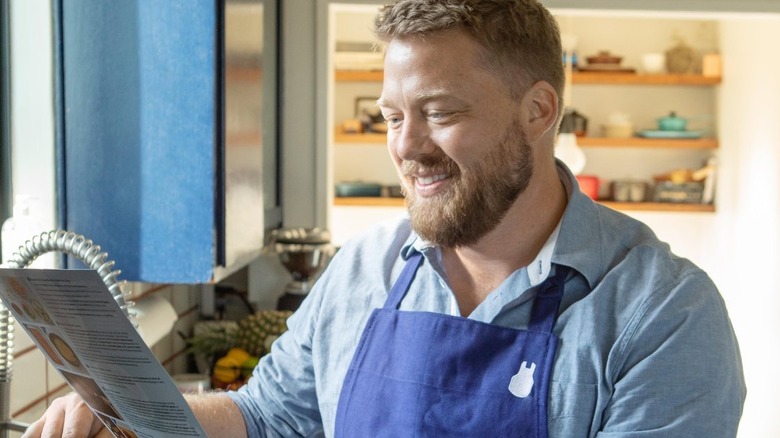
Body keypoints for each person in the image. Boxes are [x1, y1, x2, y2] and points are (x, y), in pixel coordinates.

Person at [24, 0, 745, 437]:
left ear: (538, 111)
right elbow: (270, 418)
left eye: (440, 112)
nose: (406, 147)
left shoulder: (664, 314)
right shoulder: (367, 270)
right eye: (393, 117)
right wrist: (131, 421)